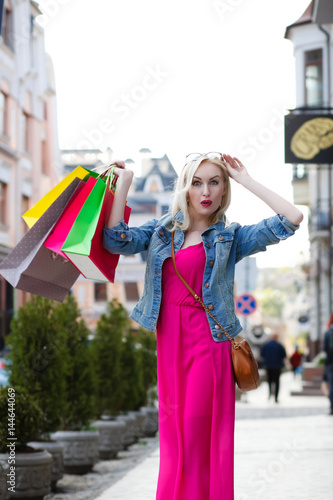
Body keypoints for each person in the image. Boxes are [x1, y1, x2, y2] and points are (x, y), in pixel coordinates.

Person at [103, 153, 303, 500]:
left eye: (215, 182)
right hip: (170, 342)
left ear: (224, 190)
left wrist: (247, 180)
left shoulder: (230, 237)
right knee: (174, 434)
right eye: (197, 182)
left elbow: (292, 218)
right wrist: (125, 183)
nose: (205, 191)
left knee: (197, 432)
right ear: (185, 187)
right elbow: (115, 240)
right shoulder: (161, 231)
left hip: (208, 344)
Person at [260, 332, 287, 402]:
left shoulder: (266, 345)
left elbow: (262, 354)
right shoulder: (279, 345)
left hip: (268, 366)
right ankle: (276, 397)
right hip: (277, 366)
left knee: (269, 380)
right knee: (277, 381)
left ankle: (269, 395)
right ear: (277, 338)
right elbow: (284, 355)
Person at [323, 313, 333, 415]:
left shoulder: (328, 333)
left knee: (331, 385)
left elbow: (325, 348)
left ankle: (332, 407)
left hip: (331, 363)